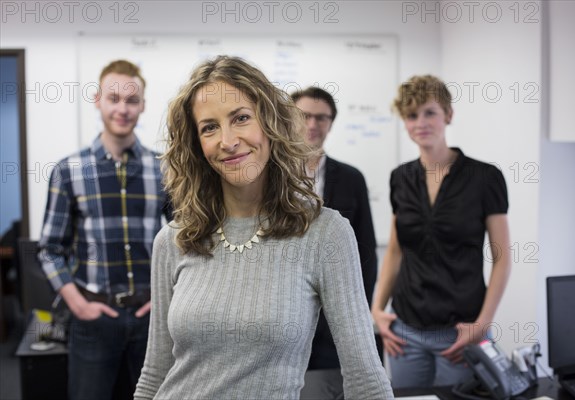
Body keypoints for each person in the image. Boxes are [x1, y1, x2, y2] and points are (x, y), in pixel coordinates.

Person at [134, 56, 393, 400]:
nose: (227, 140)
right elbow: (155, 373)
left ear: (270, 123)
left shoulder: (324, 233)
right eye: (209, 127)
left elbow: (366, 379)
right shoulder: (175, 239)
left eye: (241, 118)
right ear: (197, 145)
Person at [38, 59, 172, 400]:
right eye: (114, 98)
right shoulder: (69, 170)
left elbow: (186, 242)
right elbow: (51, 249)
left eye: (131, 100)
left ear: (142, 105)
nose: (122, 108)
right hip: (93, 318)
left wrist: (165, 298)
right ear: (98, 99)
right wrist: (77, 304)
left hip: (151, 320)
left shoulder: (164, 169)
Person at [371, 75, 511, 388]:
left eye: (429, 112)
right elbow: (395, 251)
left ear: (448, 114)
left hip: (460, 332)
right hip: (404, 331)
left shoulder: (485, 177)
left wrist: (482, 324)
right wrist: (377, 310)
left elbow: (502, 257)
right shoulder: (400, 177)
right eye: (411, 115)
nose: (420, 122)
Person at [291, 87, 378, 399]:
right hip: (286, 313)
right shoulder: (271, 178)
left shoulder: (351, 178)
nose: (313, 124)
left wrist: (360, 313)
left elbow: (366, 251)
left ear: (330, 123)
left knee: (328, 391)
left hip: (334, 319)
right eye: (305, 116)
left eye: (321, 117)